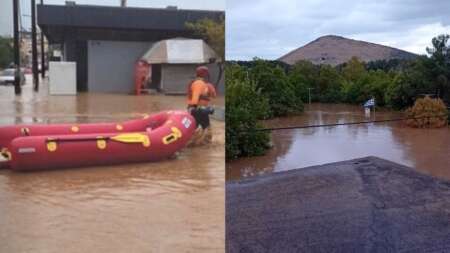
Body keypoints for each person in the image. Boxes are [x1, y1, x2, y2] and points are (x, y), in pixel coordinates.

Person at [187, 66, 215, 145]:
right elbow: (195, 97)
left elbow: (213, 95)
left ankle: (201, 146)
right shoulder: (199, 83)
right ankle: (191, 145)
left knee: (205, 130)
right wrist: (194, 108)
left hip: (201, 110)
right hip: (198, 110)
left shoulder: (203, 84)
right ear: (205, 75)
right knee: (200, 130)